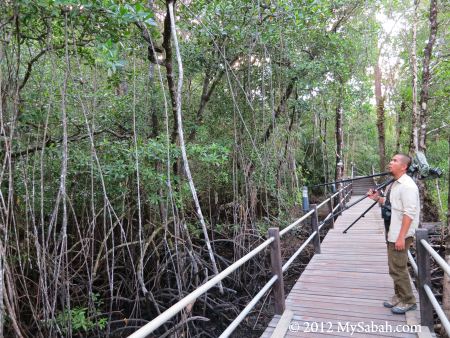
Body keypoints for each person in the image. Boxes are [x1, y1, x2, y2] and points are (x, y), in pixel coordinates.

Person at [367, 154, 420, 314]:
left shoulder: (408, 186)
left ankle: (409, 300)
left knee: (398, 268)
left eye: (395, 161)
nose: (390, 163)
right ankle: (399, 295)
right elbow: (391, 204)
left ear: (403, 166)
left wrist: (401, 237)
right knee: (394, 267)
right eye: (391, 160)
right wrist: (377, 198)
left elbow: (409, 213)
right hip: (392, 230)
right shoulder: (395, 184)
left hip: (400, 234)